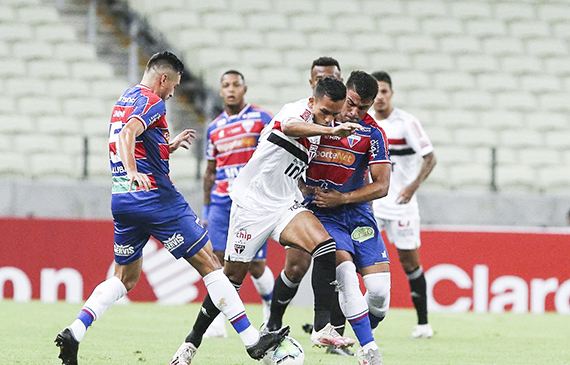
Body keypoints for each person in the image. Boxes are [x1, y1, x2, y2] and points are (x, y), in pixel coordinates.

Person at [54, 52, 289, 365]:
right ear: (162, 78)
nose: (173, 93)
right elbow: (128, 136)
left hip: (123, 199)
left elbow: (132, 136)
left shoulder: (126, 97)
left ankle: (75, 330)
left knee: (125, 277)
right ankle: (252, 341)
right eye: (174, 85)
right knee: (210, 265)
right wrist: (133, 168)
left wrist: (168, 146)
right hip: (156, 198)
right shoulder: (152, 100)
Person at [170, 77, 362, 365]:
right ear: (313, 102)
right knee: (231, 278)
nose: (330, 118)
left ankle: (322, 328)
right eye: (325, 112)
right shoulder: (295, 112)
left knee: (325, 247)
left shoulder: (322, 130)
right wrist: (330, 128)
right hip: (251, 205)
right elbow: (288, 128)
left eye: (334, 115)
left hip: (284, 205)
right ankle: (191, 343)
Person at [269, 71, 392, 365]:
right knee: (346, 273)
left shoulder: (373, 133)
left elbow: (382, 185)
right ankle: (369, 349)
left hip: (359, 214)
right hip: (323, 215)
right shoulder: (320, 123)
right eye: (351, 103)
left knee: (379, 295)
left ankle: (354, 326)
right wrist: (302, 188)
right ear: (344, 94)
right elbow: (289, 155)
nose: (354, 112)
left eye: (363, 107)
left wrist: (344, 198)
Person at [267, 56, 355, 357]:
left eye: (332, 78)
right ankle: (273, 324)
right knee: (296, 266)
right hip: (301, 198)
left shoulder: (351, 119)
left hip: (340, 204)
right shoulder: (304, 116)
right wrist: (305, 187)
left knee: (339, 260)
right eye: (319, 79)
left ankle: (330, 334)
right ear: (312, 85)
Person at [202, 70, 275, 338]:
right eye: (225, 85)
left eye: (235, 85)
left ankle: (271, 310)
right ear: (221, 91)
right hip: (222, 203)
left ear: (245, 89)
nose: (230, 89)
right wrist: (207, 209)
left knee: (254, 266)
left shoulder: (261, 119)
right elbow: (210, 171)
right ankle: (218, 323)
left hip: (252, 203)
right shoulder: (214, 128)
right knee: (218, 263)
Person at [370, 71, 437, 339]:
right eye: (376, 92)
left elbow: (430, 158)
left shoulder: (406, 122)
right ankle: (339, 323)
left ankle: (423, 324)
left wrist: (412, 187)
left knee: (409, 263)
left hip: (402, 206)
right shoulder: (366, 123)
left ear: (392, 94)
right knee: (356, 260)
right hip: (373, 205)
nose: (380, 97)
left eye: (384, 91)